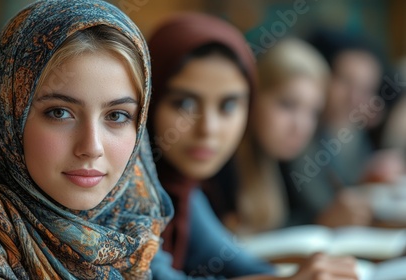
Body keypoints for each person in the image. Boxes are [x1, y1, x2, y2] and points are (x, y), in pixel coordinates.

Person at [0, 1, 172, 279]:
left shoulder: (131, 213)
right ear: (6, 114)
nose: (91, 147)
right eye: (59, 113)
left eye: (117, 116)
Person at [148, 13, 357, 280]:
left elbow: (241, 265)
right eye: (185, 104)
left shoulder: (185, 189)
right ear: (148, 99)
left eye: (228, 106)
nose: (208, 129)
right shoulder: (127, 186)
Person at [207, 38, 330, 235]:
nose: (301, 126)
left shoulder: (289, 160)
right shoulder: (218, 166)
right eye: (288, 104)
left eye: (313, 112)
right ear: (251, 98)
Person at [284, 30, 404, 227]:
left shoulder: (356, 132)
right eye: (345, 82)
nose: (354, 98)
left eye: (365, 89)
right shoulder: (294, 134)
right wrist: (321, 220)